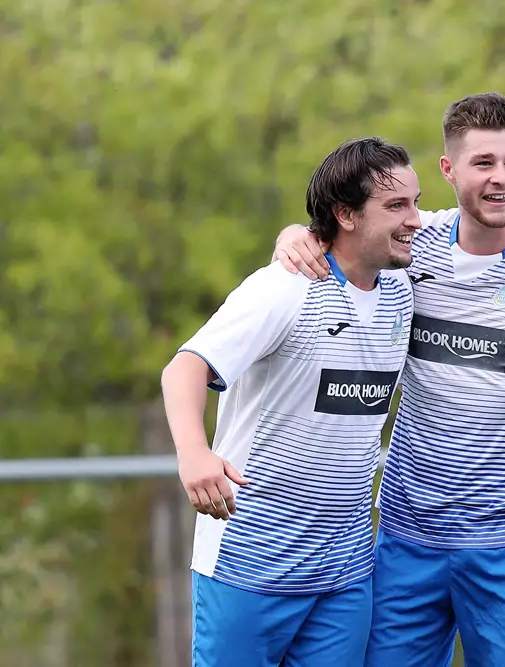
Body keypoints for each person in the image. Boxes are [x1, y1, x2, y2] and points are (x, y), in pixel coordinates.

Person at [273, 93, 505, 667]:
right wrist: (296, 234)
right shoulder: (411, 242)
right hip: (405, 536)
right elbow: (346, 239)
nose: (501, 179)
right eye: (483, 163)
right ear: (448, 170)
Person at [160, 137, 420, 666]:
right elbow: (183, 368)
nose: (416, 218)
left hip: (345, 572)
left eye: (416, 201)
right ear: (345, 214)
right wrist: (193, 454)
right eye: (397, 206)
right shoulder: (286, 287)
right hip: (248, 562)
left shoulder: (402, 286)